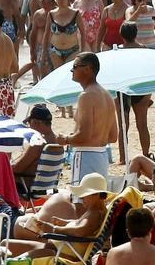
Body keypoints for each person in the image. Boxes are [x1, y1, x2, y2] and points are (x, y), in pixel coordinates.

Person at [51, 52, 118, 184]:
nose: (72, 70)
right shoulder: (107, 96)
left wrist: (65, 139)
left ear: (87, 69)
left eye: (75, 66)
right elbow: (113, 136)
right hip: (102, 156)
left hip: (86, 155)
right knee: (96, 200)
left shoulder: (86, 96)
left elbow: (84, 136)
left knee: (81, 200)